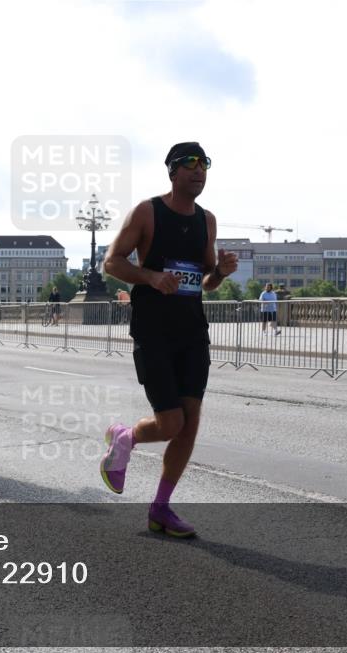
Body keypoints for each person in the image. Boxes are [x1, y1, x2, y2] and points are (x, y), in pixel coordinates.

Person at [100, 141, 238, 538]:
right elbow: (112, 261)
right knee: (170, 422)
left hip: (192, 331)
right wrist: (151, 277)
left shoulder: (207, 221)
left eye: (205, 164)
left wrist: (223, 273)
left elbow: (207, 280)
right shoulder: (148, 212)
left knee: (190, 424)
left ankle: (161, 508)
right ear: (173, 172)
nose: (200, 171)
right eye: (191, 164)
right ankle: (125, 436)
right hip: (153, 330)